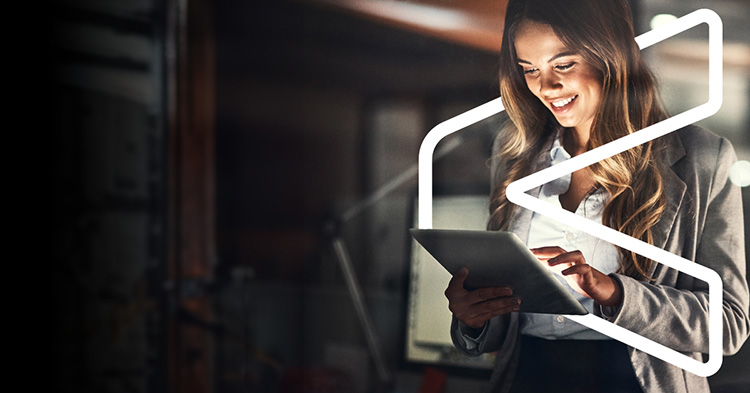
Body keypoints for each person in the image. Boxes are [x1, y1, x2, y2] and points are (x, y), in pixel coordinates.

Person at [444, 0, 750, 392]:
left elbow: (729, 322)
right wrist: (475, 317)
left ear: (609, 55)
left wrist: (616, 293)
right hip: (530, 378)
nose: (545, 86)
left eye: (564, 64)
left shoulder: (701, 158)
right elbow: (508, 324)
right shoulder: (516, 156)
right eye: (530, 70)